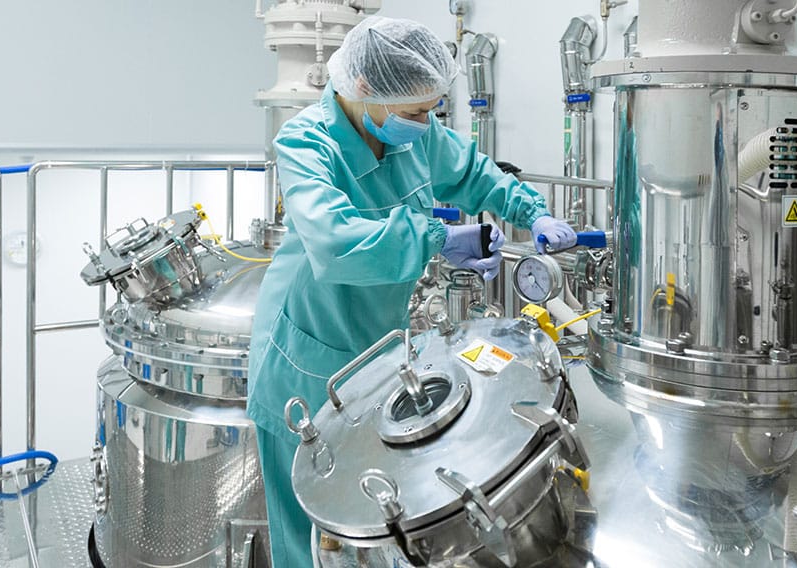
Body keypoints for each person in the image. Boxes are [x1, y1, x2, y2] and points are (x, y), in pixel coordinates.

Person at [246, 15, 577, 566]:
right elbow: (334, 243)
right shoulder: (306, 142)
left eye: (432, 110)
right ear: (367, 90)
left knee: (371, 520)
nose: (427, 123)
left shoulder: (411, 134)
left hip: (373, 352)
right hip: (302, 358)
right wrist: (436, 238)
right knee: (312, 530)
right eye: (417, 112)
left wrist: (530, 211)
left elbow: (475, 173)